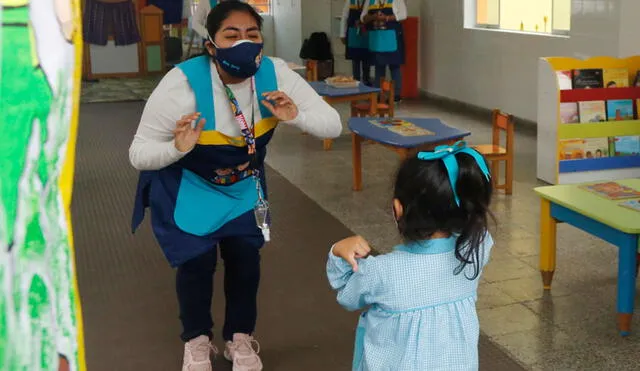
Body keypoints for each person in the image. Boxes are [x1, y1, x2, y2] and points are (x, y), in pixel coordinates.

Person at [129, 2, 342, 370]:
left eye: (252, 34)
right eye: (231, 34)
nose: (244, 42)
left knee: (245, 262)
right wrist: (175, 148)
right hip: (191, 188)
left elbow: (333, 125)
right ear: (211, 45)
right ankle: (196, 341)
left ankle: (239, 338)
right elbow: (139, 153)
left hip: (244, 189)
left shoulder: (276, 74)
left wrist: (297, 116)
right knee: (196, 265)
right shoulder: (181, 84)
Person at [327, 141, 494, 370]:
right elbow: (479, 228)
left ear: (398, 209)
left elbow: (348, 295)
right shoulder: (475, 251)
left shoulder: (381, 271)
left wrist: (338, 250)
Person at [360, 0, 406, 102]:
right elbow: (363, 18)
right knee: (379, 65)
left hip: (392, 35)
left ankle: (396, 95)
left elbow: (403, 15)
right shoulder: (370, 1)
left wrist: (386, 18)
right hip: (377, 37)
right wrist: (373, 17)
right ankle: (378, 94)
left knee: (394, 65)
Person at [340, 0, 371, 85]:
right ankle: (355, 81)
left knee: (367, 60)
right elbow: (344, 17)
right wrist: (342, 34)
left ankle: (366, 81)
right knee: (355, 60)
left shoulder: (370, 1)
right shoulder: (350, 1)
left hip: (366, 33)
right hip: (353, 33)